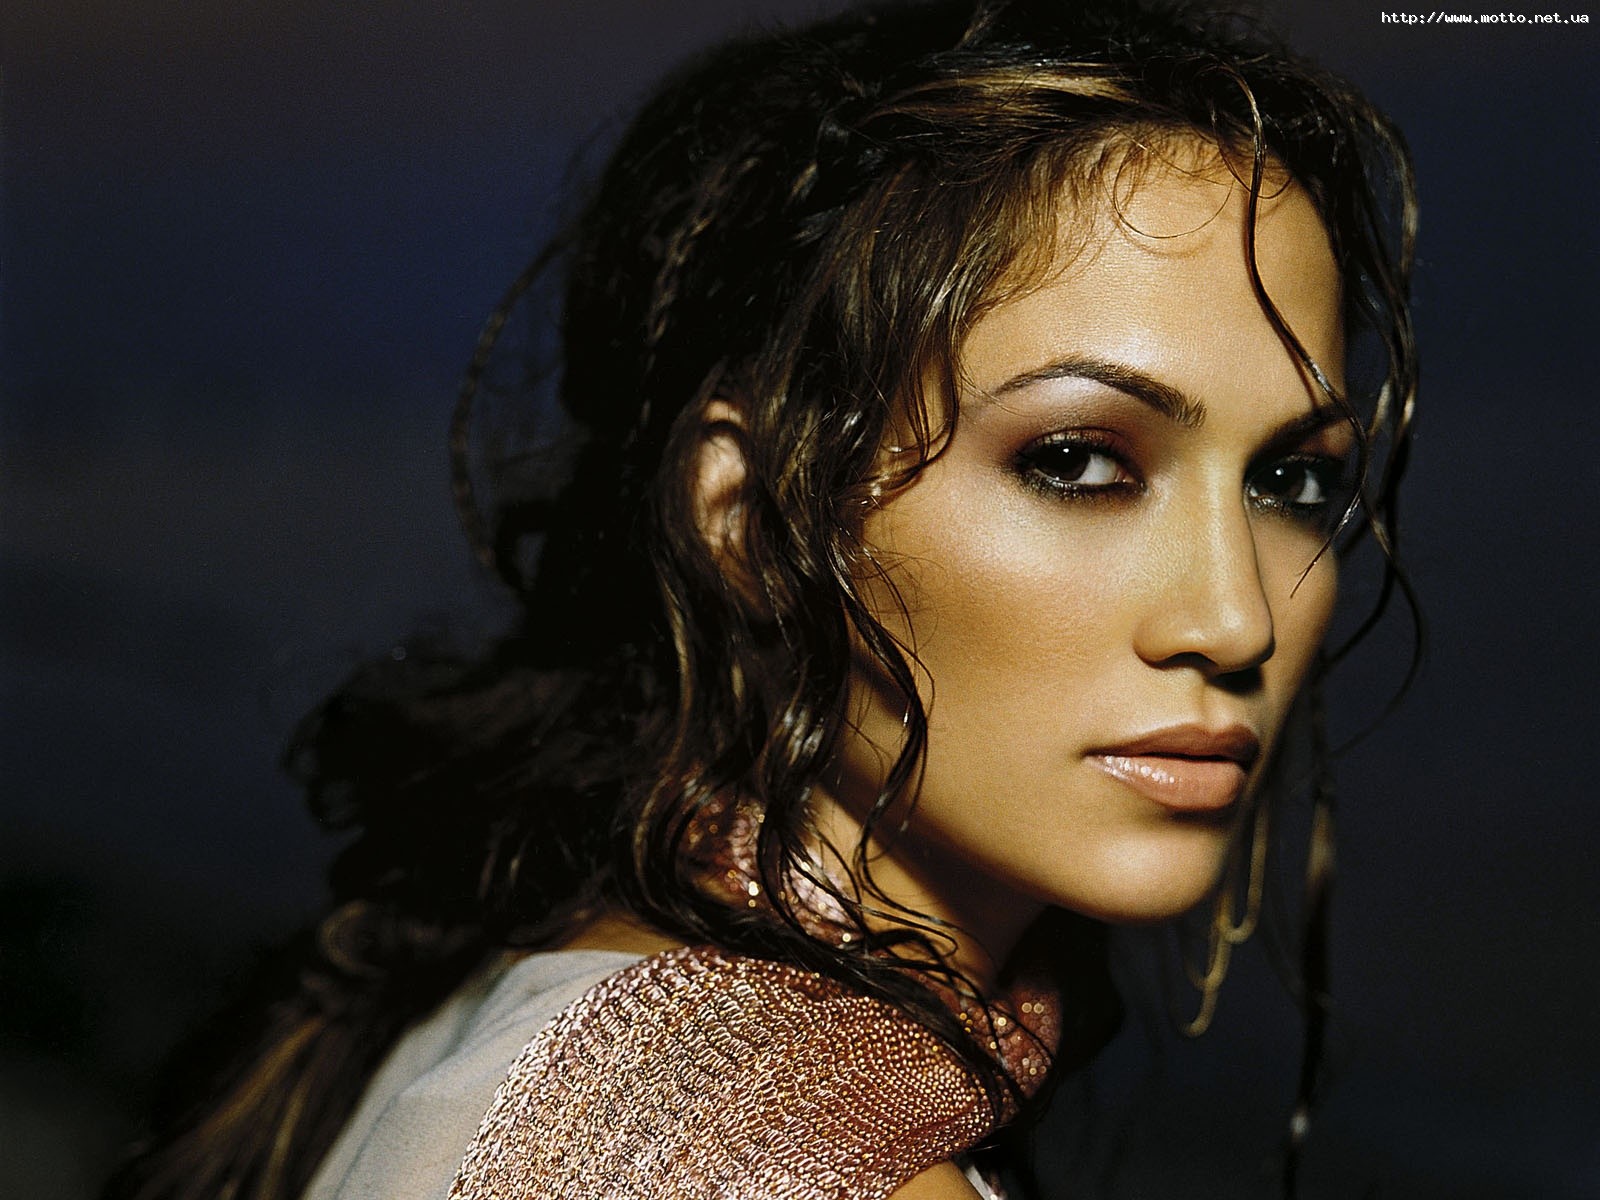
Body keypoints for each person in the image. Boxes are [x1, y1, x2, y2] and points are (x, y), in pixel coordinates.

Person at [106, 1, 1417, 1197]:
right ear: (748, 520)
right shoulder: (766, 1151)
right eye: (1076, 462)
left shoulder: (528, 1007)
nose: (1236, 620)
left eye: (1292, 481)